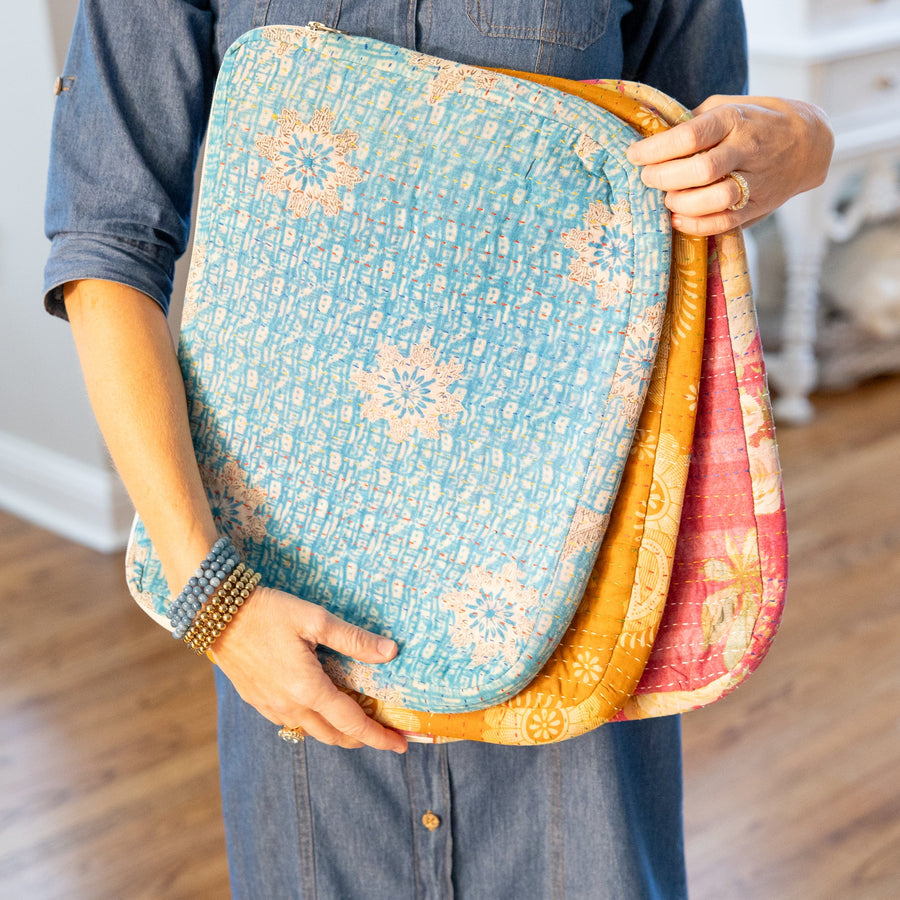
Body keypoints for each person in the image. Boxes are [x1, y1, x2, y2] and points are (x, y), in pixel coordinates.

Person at [44, 2, 833, 897]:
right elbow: (104, 249)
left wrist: (800, 142)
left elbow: (689, 174)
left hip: (570, 572)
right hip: (286, 599)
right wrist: (214, 601)